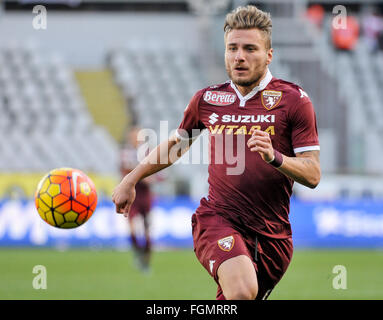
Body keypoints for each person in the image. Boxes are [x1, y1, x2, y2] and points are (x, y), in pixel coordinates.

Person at [113, 5, 321, 300]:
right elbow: (176, 146)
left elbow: (313, 174)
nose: (239, 57)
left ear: (269, 55)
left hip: (273, 237)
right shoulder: (208, 99)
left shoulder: (295, 101)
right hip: (218, 218)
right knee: (240, 291)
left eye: (250, 49)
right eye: (232, 48)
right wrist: (130, 179)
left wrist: (275, 157)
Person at [120, 127, 153, 272]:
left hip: (145, 195)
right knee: (132, 228)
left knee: (147, 231)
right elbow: (123, 170)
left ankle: (146, 261)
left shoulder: (148, 152)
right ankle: (137, 253)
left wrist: (150, 178)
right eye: (133, 136)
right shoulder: (126, 153)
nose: (135, 139)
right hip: (132, 194)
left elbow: (158, 173)